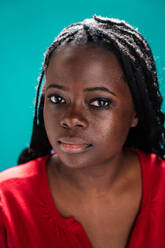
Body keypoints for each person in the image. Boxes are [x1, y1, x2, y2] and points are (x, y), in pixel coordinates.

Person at [0, 15, 165, 248]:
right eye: (57, 98)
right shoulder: (5, 204)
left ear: (135, 111)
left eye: (99, 102)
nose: (71, 119)